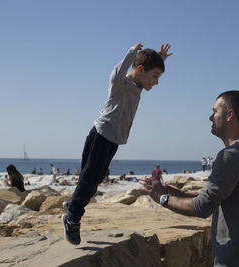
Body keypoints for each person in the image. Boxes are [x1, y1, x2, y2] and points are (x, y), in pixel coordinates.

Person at [140, 91, 239, 266]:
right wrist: (181, 194)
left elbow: (202, 207)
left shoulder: (231, 155)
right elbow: (221, 199)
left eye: (214, 111)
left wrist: (161, 197)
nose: (210, 117)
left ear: (230, 115)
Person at [62, 42, 172, 245]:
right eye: (155, 76)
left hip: (113, 141)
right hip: (100, 136)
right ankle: (72, 218)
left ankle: (72, 205)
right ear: (140, 70)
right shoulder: (120, 84)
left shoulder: (139, 85)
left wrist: (159, 59)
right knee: (88, 179)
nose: (156, 83)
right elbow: (118, 72)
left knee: (94, 180)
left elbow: (144, 70)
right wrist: (132, 53)